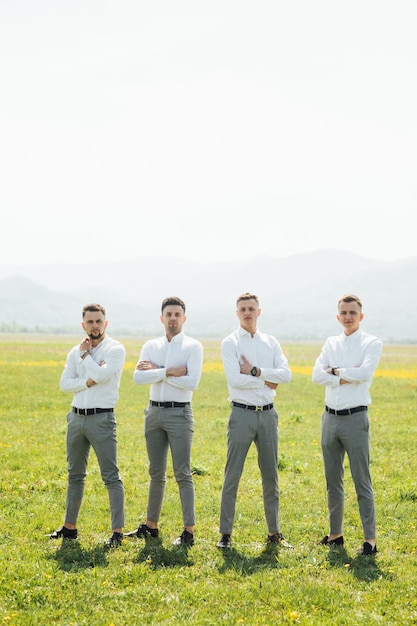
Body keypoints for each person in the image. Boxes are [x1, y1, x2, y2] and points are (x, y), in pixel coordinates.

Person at [217, 292, 292, 550]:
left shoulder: (271, 342)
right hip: (241, 414)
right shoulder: (230, 343)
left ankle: (274, 532)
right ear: (237, 313)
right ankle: (225, 534)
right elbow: (234, 380)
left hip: (268, 415)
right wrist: (268, 380)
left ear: (259, 311)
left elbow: (286, 375)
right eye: (242, 309)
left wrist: (254, 370)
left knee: (271, 474)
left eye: (251, 308)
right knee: (232, 475)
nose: (247, 313)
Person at [126, 296, 203, 548]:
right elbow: (138, 378)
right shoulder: (151, 345)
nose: (172, 318)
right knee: (156, 472)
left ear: (184, 318)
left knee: (182, 472)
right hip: (154, 413)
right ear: (162, 318)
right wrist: (169, 370)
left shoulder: (193, 347)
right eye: (168, 314)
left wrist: (156, 373)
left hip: (179, 413)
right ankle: (151, 526)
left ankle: (188, 531)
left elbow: (191, 382)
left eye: (177, 314)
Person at [49, 303, 126, 548]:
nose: (94, 325)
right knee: (74, 474)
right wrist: (87, 382)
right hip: (76, 418)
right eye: (90, 322)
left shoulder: (114, 349)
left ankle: (117, 532)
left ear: (106, 323)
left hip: (101, 418)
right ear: (83, 325)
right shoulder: (74, 351)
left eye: (98, 321)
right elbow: (64, 384)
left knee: (110, 476)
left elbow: (102, 376)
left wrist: (86, 357)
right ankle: (69, 528)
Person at [312, 294, 382, 556]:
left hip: (355, 418)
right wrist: (345, 372)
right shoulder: (331, 343)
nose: (348, 317)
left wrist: (335, 371)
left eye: (352, 312)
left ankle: (370, 540)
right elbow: (316, 376)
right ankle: (335, 534)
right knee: (333, 481)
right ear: (338, 316)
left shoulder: (372, 342)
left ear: (360, 316)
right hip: (329, 418)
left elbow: (365, 373)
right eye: (343, 313)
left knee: (361, 479)